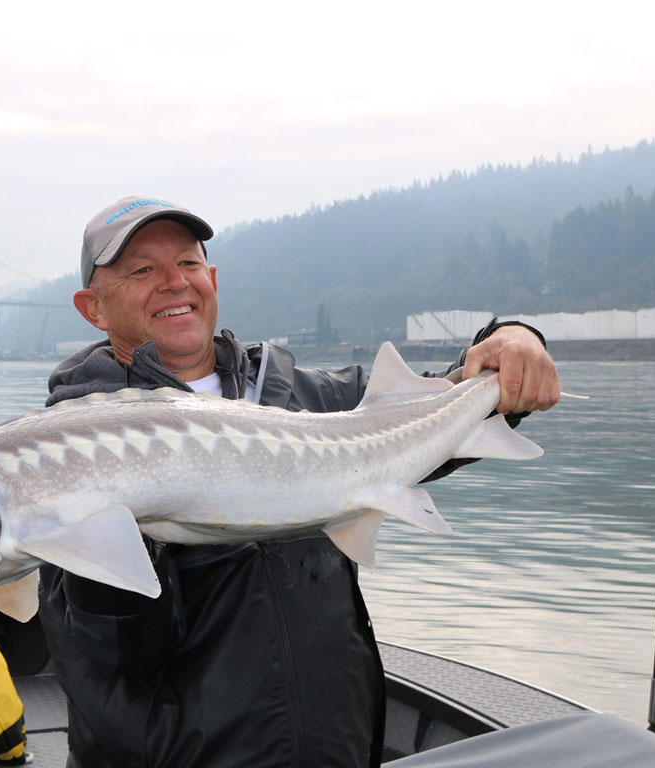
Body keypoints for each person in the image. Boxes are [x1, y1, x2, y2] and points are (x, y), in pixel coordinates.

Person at [37, 196, 561, 768]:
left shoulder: (312, 399)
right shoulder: (65, 451)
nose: (172, 282)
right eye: (141, 270)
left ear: (211, 279)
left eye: (188, 264)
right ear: (93, 308)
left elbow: (446, 407)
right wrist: (117, 529)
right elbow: (120, 657)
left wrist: (512, 339)